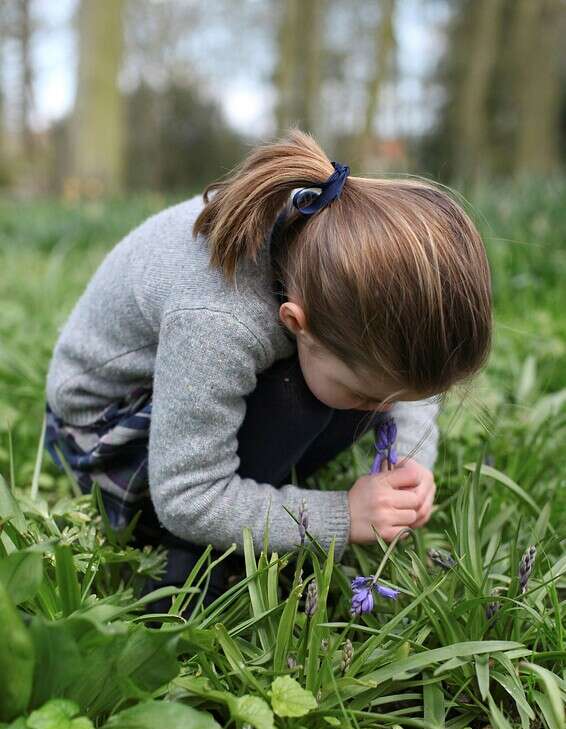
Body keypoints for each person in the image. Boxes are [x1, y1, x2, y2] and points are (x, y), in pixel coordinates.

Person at [44, 129, 492, 606]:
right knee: (301, 399)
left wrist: (408, 462)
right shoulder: (218, 321)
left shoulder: (331, 259)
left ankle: (264, 489)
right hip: (104, 435)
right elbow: (187, 496)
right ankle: (187, 570)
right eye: (369, 394)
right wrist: (344, 516)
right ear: (296, 322)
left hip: (195, 385)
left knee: (338, 393)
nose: (384, 412)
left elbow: (408, 382)